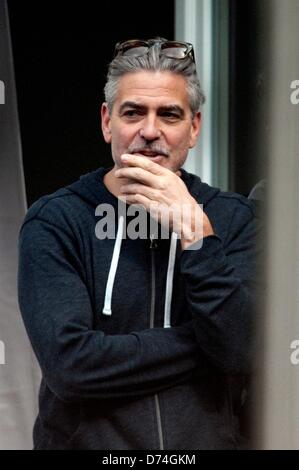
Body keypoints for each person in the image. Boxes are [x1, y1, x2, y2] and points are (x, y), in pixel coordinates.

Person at [18, 38, 258, 450]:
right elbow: (71, 368)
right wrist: (204, 344)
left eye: (169, 114)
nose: (150, 131)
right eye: (133, 113)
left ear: (194, 127)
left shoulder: (234, 219)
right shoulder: (56, 220)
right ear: (107, 121)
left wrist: (196, 234)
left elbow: (243, 352)